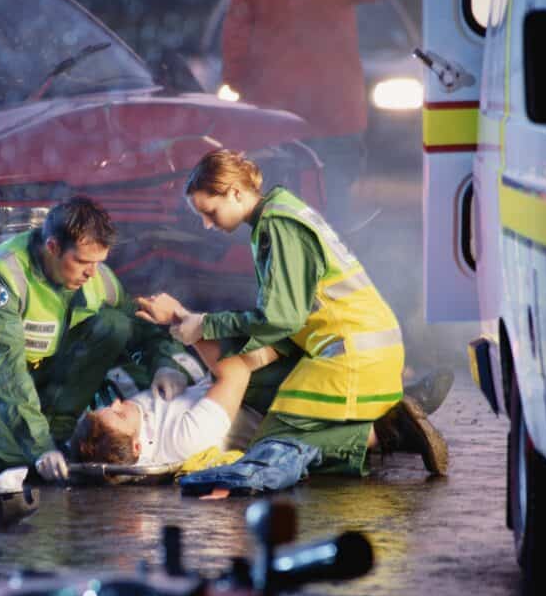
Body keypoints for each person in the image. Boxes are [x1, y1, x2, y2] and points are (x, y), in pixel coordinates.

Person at [136, 149, 448, 478]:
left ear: (235, 192)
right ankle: (384, 414)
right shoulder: (279, 214)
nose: (207, 224)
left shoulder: (278, 227)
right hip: (357, 347)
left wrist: (205, 325)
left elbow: (281, 319)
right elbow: (288, 318)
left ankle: (391, 433)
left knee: (272, 446)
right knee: (256, 389)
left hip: (350, 356)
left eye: (210, 212)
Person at [0, 196, 201, 482]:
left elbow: (140, 326)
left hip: (34, 382)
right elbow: (5, 372)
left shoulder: (95, 276)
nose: (92, 273)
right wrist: (40, 449)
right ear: (52, 247)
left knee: (113, 324)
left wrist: (167, 365)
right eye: (83, 262)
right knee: (16, 457)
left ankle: (56, 431)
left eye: (99, 262)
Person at [221, 0, 405, 231]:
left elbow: (235, 47)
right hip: (337, 119)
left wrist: (240, 93)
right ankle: (330, 277)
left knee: (277, 212)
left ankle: (284, 276)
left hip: (276, 124)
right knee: (333, 211)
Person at [72, 339, 320, 483]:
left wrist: (164, 367)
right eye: (119, 413)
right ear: (138, 447)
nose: (118, 403)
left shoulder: (126, 433)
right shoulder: (184, 441)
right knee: (253, 341)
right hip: (258, 399)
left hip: (212, 385)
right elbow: (236, 374)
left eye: (110, 407)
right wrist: (189, 329)